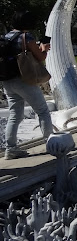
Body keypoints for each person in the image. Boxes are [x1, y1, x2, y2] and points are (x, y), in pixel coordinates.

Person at [2, 11, 54, 159]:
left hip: (7, 80)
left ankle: (10, 148)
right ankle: (51, 143)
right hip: (24, 79)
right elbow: (40, 57)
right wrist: (44, 48)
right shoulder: (27, 37)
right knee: (43, 111)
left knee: (14, 114)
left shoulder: (6, 37)